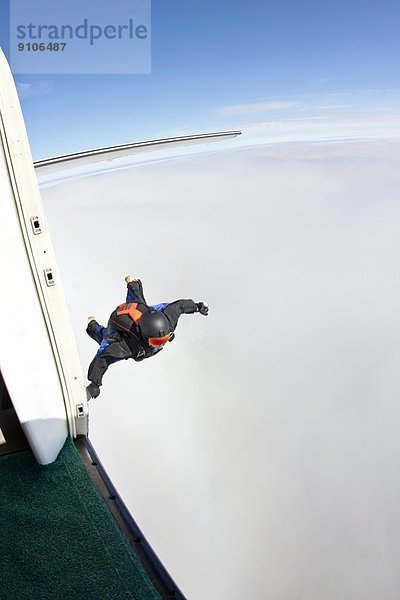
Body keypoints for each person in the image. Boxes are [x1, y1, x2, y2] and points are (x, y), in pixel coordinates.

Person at [86, 276, 209, 399]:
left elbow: (179, 306)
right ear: (145, 337)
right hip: (118, 322)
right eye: (156, 342)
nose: (161, 345)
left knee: (137, 299)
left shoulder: (168, 320)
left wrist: (197, 306)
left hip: (141, 309)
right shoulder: (129, 346)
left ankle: (133, 283)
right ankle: (92, 325)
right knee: (104, 339)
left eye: (164, 340)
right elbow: (103, 358)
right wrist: (95, 384)